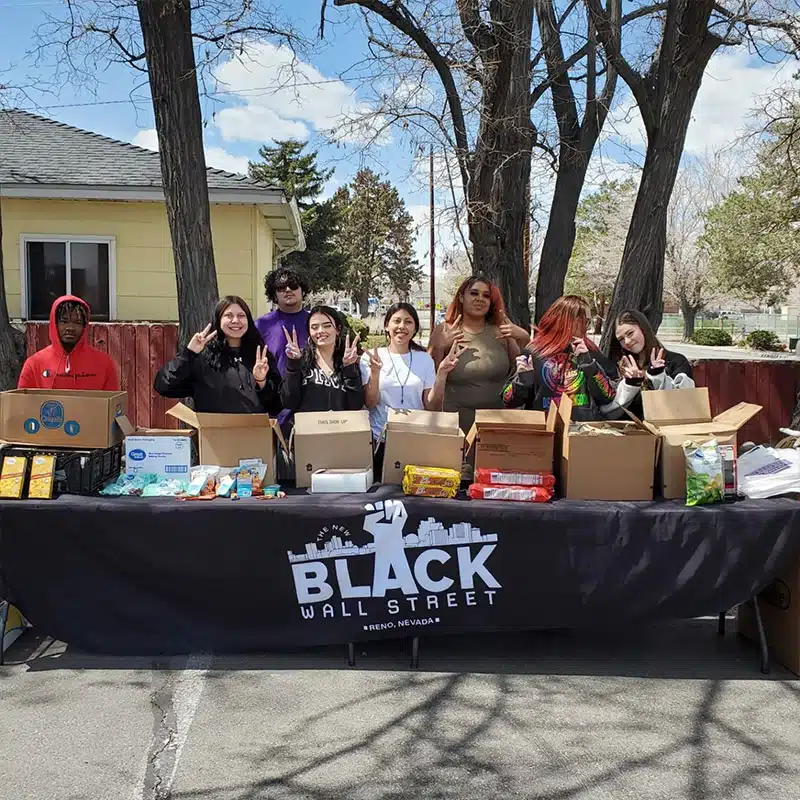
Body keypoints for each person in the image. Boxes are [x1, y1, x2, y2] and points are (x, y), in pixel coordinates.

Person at [154, 295, 281, 414]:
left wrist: (261, 382)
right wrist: (189, 354)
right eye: (229, 315)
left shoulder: (260, 357)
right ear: (218, 320)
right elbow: (165, 386)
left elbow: (277, 406)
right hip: (212, 433)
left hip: (254, 433)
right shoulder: (203, 357)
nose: (236, 320)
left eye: (241, 315)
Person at [429, 275, 524, 432]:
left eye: (486, 295)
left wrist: (524, 338)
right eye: (474, 293)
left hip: (497, 424)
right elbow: (430, 375)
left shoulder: (501, 331)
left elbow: (520, 370)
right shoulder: (444, 330)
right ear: (461, 297)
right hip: (456, 424)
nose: (480, 299)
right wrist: (440, 346)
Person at [503, 295, 617, 421]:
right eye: (585, 321)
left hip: (583, 431)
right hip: (544, 430)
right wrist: (523, 381)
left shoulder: (590, 351)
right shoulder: (535, 351)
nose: (587, 327)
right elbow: (508, 400)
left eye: (588, 322)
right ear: (566, 320)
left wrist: (589, 364)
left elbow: (608, 395)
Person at [361, 302, 463, 442]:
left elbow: (433, 406)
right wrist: (375, 373)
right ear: (386, 326)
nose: (402, 326)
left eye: (408, 322)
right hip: (379, 438)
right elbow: (370, 402)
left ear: (415, 329)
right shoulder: (372, 357)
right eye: (396, 321)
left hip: (415, 437)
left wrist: (442, 373)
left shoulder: (424, 358)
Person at [603, 309, 695, 420]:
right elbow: (609, 411)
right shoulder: (619, 367)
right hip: (630, 434)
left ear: (643, 328)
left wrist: (657, 375)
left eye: (630, 333)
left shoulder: (676, 361)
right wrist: (631, 384)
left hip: (668, 431)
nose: (626, 342)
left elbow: (684, 403)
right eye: (621, 339)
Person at [18, 295, 119, 390]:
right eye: (64, 321)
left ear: (85, 327)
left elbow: (114, 406)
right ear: (54, 323)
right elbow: (23, 405)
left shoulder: (104, 364)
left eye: (77, 323)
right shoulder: (34, 364)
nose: (70, 328)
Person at [280, 305, 365, 413]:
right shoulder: (302, 360)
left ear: (337, 330)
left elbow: (355, 406)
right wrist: (293, 364)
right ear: (309, 333)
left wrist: (349, 368)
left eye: (327, 326)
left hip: (340, 427)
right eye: (314, 327)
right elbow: (289, 401)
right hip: (308, 428)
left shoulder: (347, 362)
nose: (320, 331)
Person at [255, 267, 311, 377]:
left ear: (303, 291)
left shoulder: (316, 323)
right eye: (281, 288)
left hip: (310, 389)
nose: (288, 290)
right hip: (274, 390)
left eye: (293, 286)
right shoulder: (261, 325)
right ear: (274, 294)